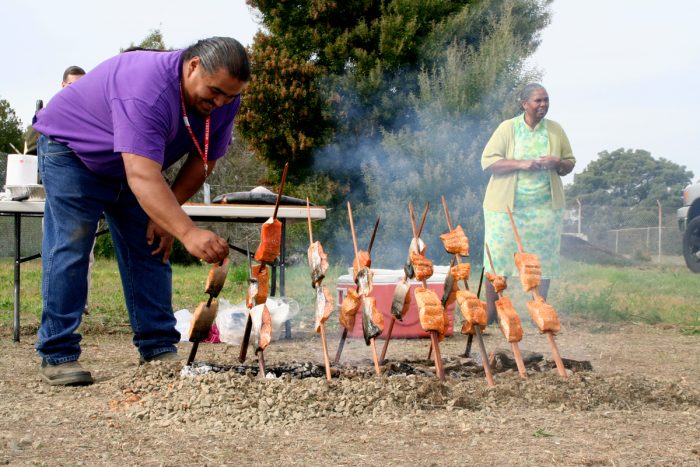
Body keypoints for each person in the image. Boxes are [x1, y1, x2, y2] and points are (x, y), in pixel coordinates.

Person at [32, 37, 250, 386]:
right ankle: (58, 353)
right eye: (214, 92)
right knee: (71, 247)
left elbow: (204, 159)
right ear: (193, 65)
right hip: (73, 152)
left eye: (230, 96)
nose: (221, 102)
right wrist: (188, 232)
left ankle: (158, 348)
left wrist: (168, 217)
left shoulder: (224, 99)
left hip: (133, 163)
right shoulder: (146, 88)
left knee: (152, 244)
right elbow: (142, 175)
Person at [480, 83, 575, 323]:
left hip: (544, 210)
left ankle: (539, 312)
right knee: (498, 259)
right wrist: (521, 164)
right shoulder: (507, 128)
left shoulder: (555, 131)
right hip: (505, 209)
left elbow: (569, 164)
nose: (543, 105)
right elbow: (488, 162)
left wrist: (557, 162)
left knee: (542, 260)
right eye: (538, 101)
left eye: (546, 100)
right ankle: (492, 312)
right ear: (524, 104)